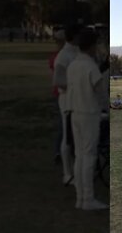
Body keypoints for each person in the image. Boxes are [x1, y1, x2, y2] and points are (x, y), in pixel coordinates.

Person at [66, 28, 107, 210]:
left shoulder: (74, 65)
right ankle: (88, 198)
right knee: (89, 155)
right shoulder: (90, 66)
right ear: (92, 46)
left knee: (80, 155)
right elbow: (100, 93)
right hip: (89, 113)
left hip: (75, 112)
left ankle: (80, 198)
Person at [53, 23, 82, 186]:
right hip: (67, 99)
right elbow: (57, 81)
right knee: (67, 135)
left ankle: (76, 170)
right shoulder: (63, 56)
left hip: (78, 99)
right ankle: (67, 173)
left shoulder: (76, 52)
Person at [49, 29, 66, 164]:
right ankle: (59, 151)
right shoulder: (60, 57)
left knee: (63, 124)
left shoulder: (57, 56)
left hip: (60, 93)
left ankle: (60, 150)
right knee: (63, 124)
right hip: (62, 93)